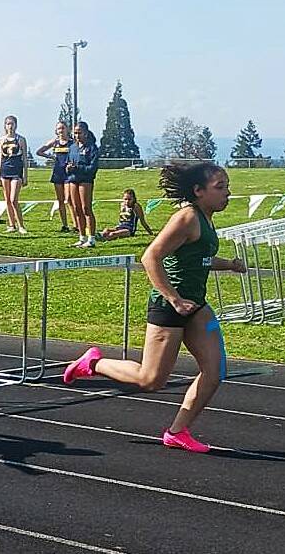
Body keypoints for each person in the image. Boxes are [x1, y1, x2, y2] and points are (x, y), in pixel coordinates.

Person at [62, 162, 247, 453]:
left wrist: (230, 265)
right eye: (220, 188)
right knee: (151, 380)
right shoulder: (186, 218)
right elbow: (150, 258)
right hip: (170, 306)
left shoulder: (207, 218)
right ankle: (93, 364)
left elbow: (198, 259)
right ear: (198, 191)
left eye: (227, 186)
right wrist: (174, 298)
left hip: (196, 306)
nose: (228, 193)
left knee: (215, 371)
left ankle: (177, 431)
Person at [37, 121, 77, 233]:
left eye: (63, 128)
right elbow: (39, 151)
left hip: (69, 174)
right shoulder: (55, 142)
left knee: (69, 199)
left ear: (67, 129)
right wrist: (50, 156)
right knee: (60, 200)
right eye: (59, 129)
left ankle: (76, 225)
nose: (61, 131)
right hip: (58, 172)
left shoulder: (72, 142)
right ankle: (65, 225)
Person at [65, 121, 99, 247]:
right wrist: (68, 168)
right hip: (73, 179)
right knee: (76, 208)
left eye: (79, 133)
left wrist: (78, 167)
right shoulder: (72, 148)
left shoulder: (92, 148)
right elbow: (68, 162)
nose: (77, 135)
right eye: (75, 133)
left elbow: (92, 168)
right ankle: (82, 237)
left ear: (85, 133)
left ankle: (91, 238)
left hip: (86, 180)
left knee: (86, 208)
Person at [0, 115, 28, 234]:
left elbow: (24, 158)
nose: (10, 126)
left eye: (12, 124)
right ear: (5, 126)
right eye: (8, 124)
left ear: (16, 125)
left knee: (14, 199)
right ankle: (11, 225)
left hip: (16, 170)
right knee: (7, 200)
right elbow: (0, 157)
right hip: (5, 170)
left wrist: (25, 175)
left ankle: (21, 225)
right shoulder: (1, 140)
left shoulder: (20, 139)